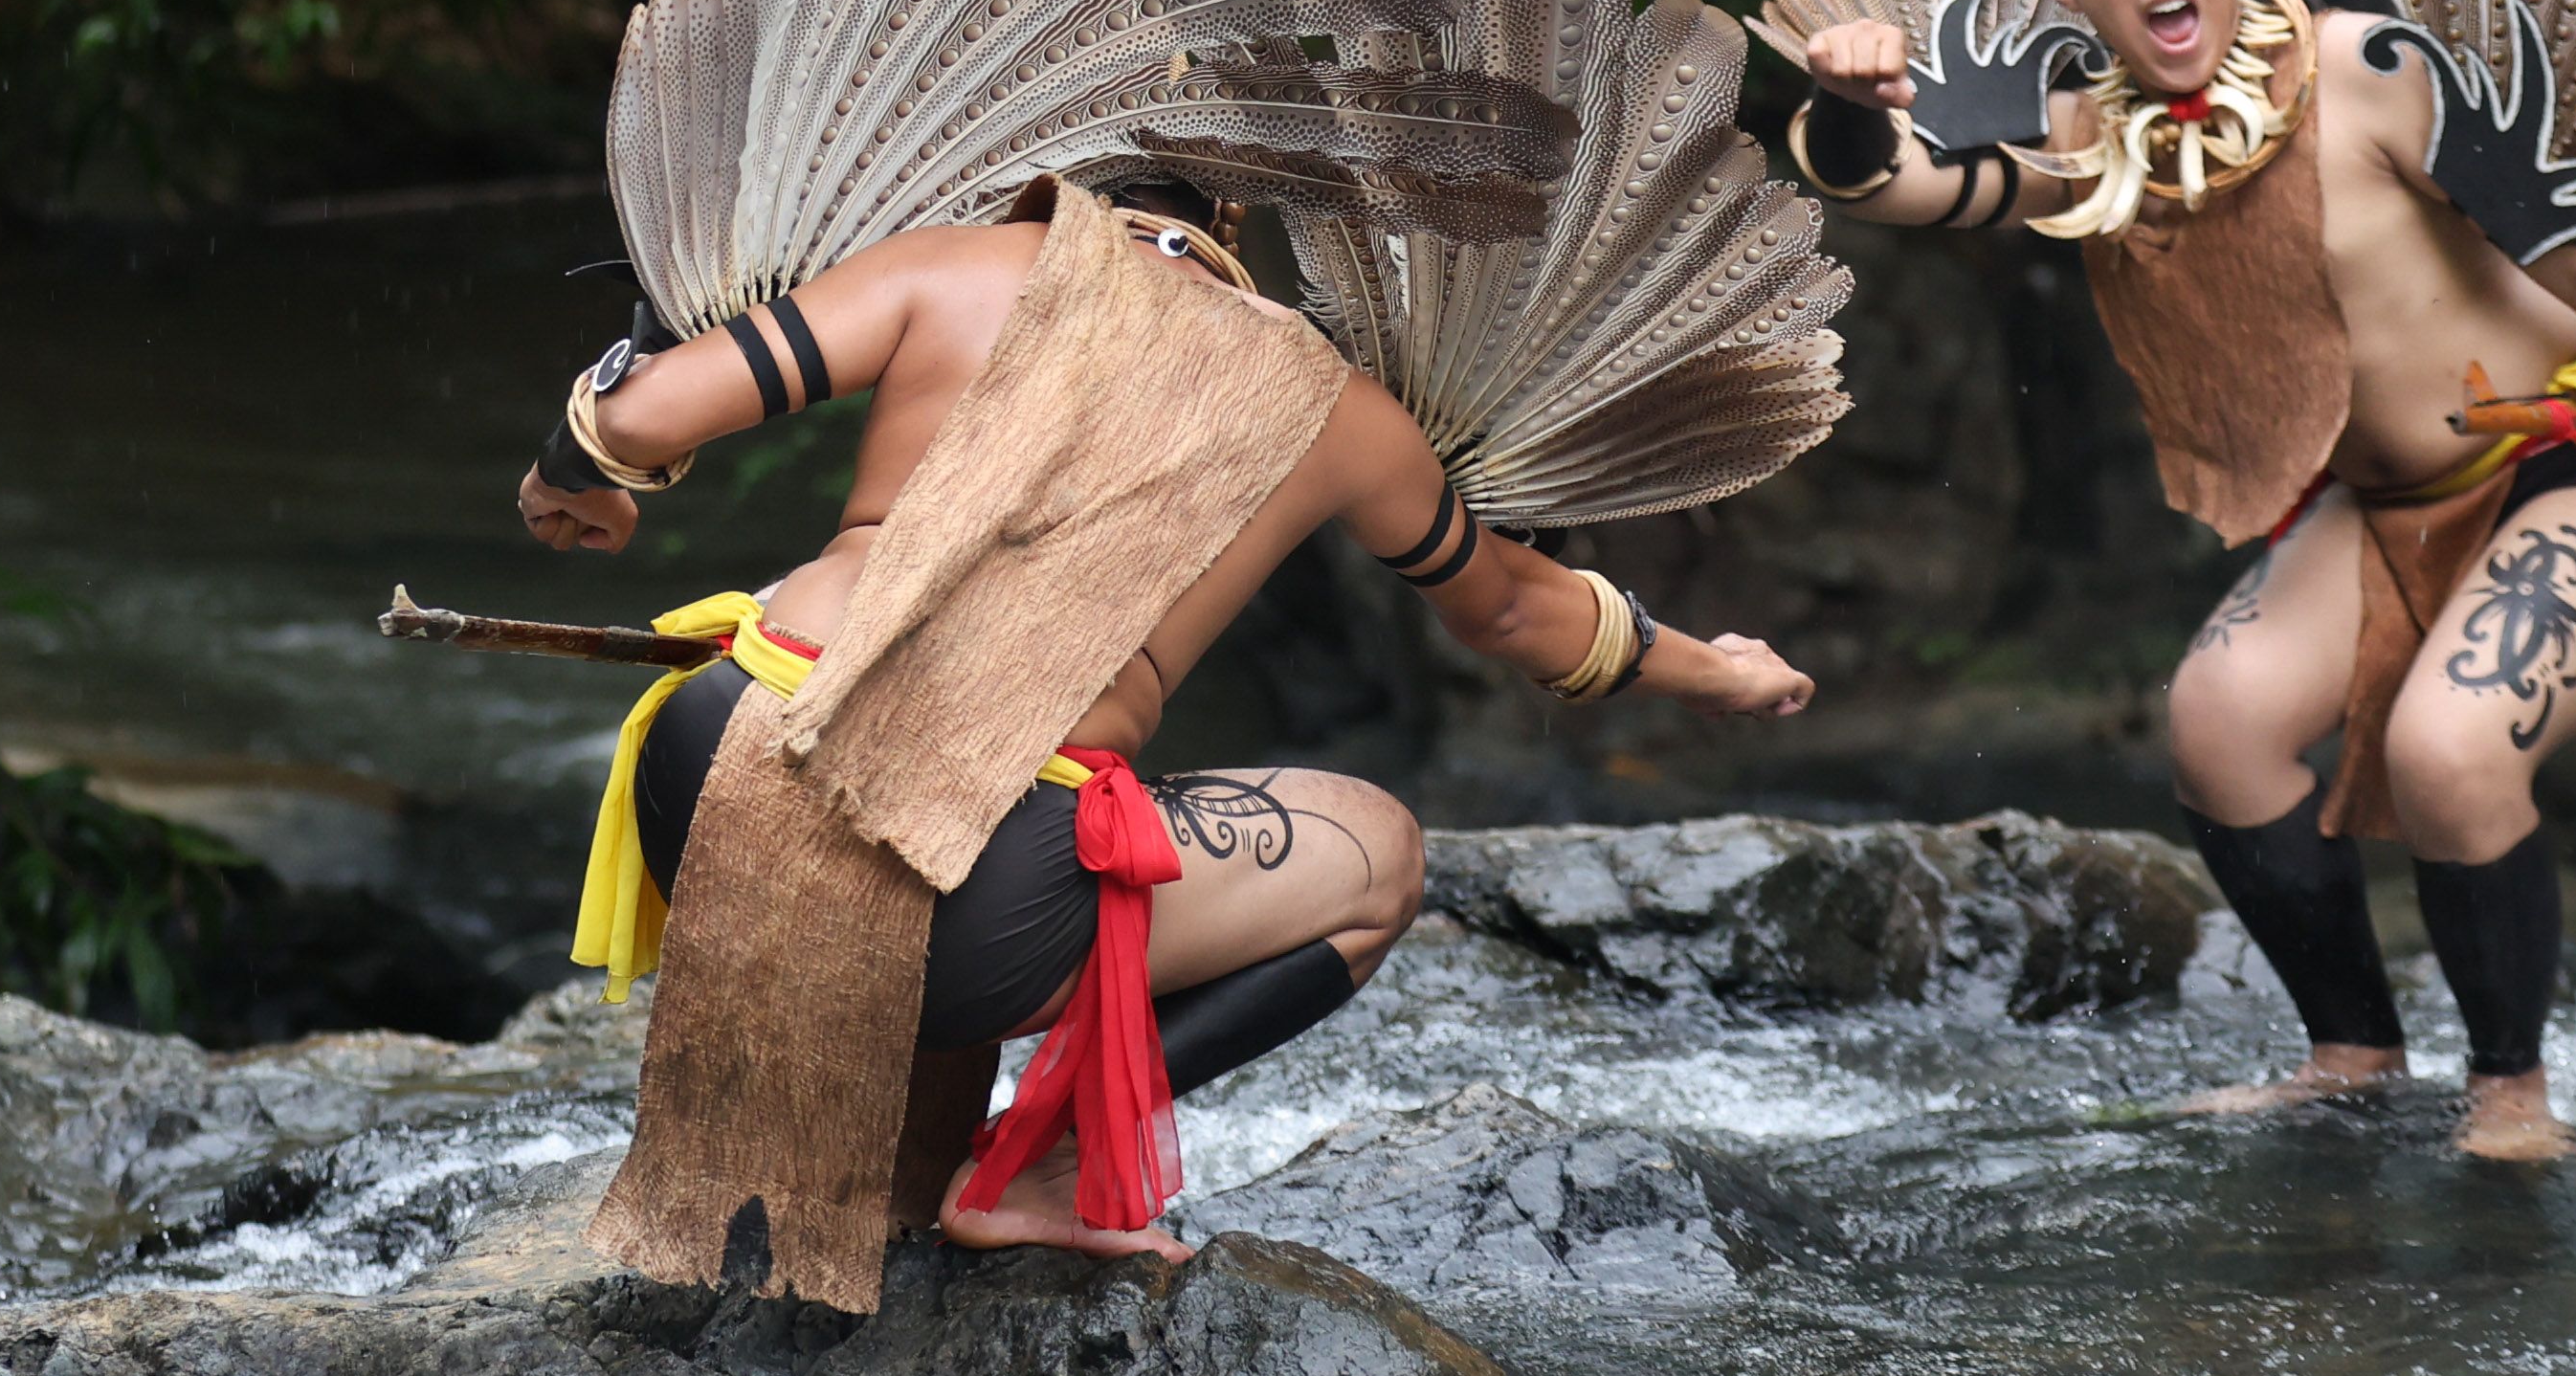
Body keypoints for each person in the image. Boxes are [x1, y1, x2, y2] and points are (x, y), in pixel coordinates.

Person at [1782, 0, 2576, 1164]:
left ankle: (2512, 1096)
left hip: (2572, 475)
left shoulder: (2373, 70)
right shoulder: (2096, 138)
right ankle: (2351, 1057)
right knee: (2218, 719)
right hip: (2380, 507)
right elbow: (1898, 186)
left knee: (2449, 749)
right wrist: (1848, 98)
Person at [525, 172, 1818, 1270]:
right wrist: (1726, 673)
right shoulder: (1332, 405)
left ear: (1062, 189)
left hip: (713, 768)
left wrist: (580, 496)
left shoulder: (949, 265)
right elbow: (1524, 620)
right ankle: (1040, 1173)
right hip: (975, 886)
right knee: (1375, 855)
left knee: (978, 830)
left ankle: (906, 1202)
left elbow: (621, 426)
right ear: (1229, 235)